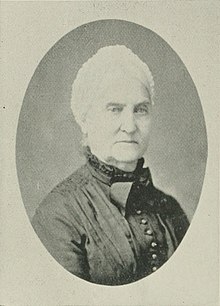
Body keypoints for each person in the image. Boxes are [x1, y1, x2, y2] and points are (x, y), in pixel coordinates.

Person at [32, 45, 189, 286]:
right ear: (85, 120)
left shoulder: (170, 209)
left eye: (141, 110)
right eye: (115, 109)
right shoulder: (57, 216)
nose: (130, 125)